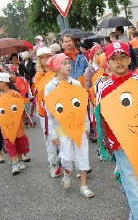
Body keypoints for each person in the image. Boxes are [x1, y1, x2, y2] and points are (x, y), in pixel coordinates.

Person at [96, 42, 138, 219]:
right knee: (134, 187)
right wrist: (110, 144)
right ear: (107, 63)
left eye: (123, 57)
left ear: (130, 59)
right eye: (114, 59)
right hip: (122, 145)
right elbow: (102, 119)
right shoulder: (104, 89)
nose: (119, 62)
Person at [45, 53, 94, 197]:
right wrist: (53, 134)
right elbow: (49, 113)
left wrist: (86, 125)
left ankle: (84, 186)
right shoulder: (50, 87)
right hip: (62, 127)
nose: (68, 66)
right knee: (66, 157)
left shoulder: (76, 84)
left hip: (78, 125)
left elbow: (82, 106)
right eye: (64, 63)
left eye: (69, 63)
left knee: (83, 155)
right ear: (56, 66)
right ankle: (66, 173)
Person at [0, 73, 31, 175]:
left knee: (19, 143)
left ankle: (19, 160)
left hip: (18, 126)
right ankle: (14, 163)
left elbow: (22, 108)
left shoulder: (15, 94)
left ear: (3, 83)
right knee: (10, 143)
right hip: (6, 127)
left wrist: (28, 119)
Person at [33, 47, 60, 178]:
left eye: (47, 56)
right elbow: (40, 93)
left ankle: (67, 162)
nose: (45, 59)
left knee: (63, 136)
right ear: (39, 60)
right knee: (50, 138)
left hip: (60, 110)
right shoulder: (39, 76)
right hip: (45, 111)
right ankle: (53, 163)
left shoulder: (57, 71)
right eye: (42, 57)